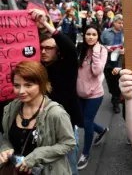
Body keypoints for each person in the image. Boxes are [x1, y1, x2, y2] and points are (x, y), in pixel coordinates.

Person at [30, 9, 83, 175]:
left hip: (64, 125)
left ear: (58, 50)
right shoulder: (38, 69)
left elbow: (69, 47)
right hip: (40, 125)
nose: (44, 51)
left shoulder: (67, 65)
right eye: (42, 48)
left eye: (49, 48)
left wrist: (46, 23)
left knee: (68, 164)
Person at [0, 61, 76, 174]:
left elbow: (68, 143)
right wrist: (5, 150)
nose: (21, 91)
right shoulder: (10, 109)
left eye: (28, 85)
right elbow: (6, 138)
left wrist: (37, 155)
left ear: (42, 84)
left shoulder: (56, 113)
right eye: (17, 85)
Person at [76, 24, 109, 170]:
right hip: (79, 93)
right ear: (84, 35)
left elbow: (97, 71)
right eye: (88, 34)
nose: (90, 37)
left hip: (94, 94)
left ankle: (85, 154)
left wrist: (95, 52)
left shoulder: (102, 50)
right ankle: (101, 130)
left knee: (87, 122)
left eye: (94, 34)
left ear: (98, 36)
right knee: (81, 121)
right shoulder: (80, 49)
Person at [101, 14, 124, 114]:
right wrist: (105, 48)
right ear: (114, 23)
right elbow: (100, 45)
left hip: (120, 62)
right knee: (110, 83)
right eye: (119, 23)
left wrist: (125, 50)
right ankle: (113, 94)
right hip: (108, 62)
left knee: (118, 82)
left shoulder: (125, 33)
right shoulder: (106, 33)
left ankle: (116, 102)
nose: (121, 25)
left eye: (123, 23)